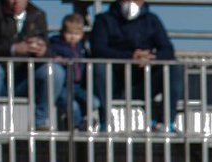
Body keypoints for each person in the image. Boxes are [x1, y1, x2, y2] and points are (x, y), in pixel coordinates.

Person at [90, 0, 184, 132]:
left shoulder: (151, 20)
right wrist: (130, 57)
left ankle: (166, 122)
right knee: (100, 66)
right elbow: (98, 49)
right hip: (115, 83)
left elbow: (168, 50)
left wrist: (151, 57)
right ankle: (105, 122)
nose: (131, 2)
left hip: (144, 83)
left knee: (174, 67)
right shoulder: (104, 20)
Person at [0, 0, 66, 131]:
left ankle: (40, 122)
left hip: (25, 80)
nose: (16, 2)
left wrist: (42, 51)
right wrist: (13, 49)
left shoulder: (38, 14)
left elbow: (47, 47)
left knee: (54, 71)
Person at [48, 13, 96, 131]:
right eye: (69, 33)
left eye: (76, 34)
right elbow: (50, 54)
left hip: (78, 86)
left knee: (94, 102)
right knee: (73, 106)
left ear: (82, 34)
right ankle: (77, 124)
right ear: (63, 32)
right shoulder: (56, 45)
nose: (72, 37)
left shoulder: (82, 49)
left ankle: (76, 120)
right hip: (63, 87)